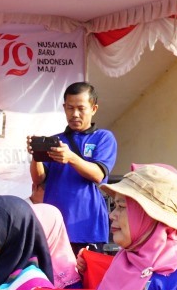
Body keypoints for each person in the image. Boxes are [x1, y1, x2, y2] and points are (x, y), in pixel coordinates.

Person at [29, 82, 117, 250]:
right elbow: (38, 179)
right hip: (55, 228)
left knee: (87, 268)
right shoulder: (55, 140)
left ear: (94, 109)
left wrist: (71, 157)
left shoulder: (103, 137)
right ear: (64, 108)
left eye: (81, 108)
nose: (75, 114)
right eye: (70, 108)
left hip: (89, 227)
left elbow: (98, 175)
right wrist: (36, 155)